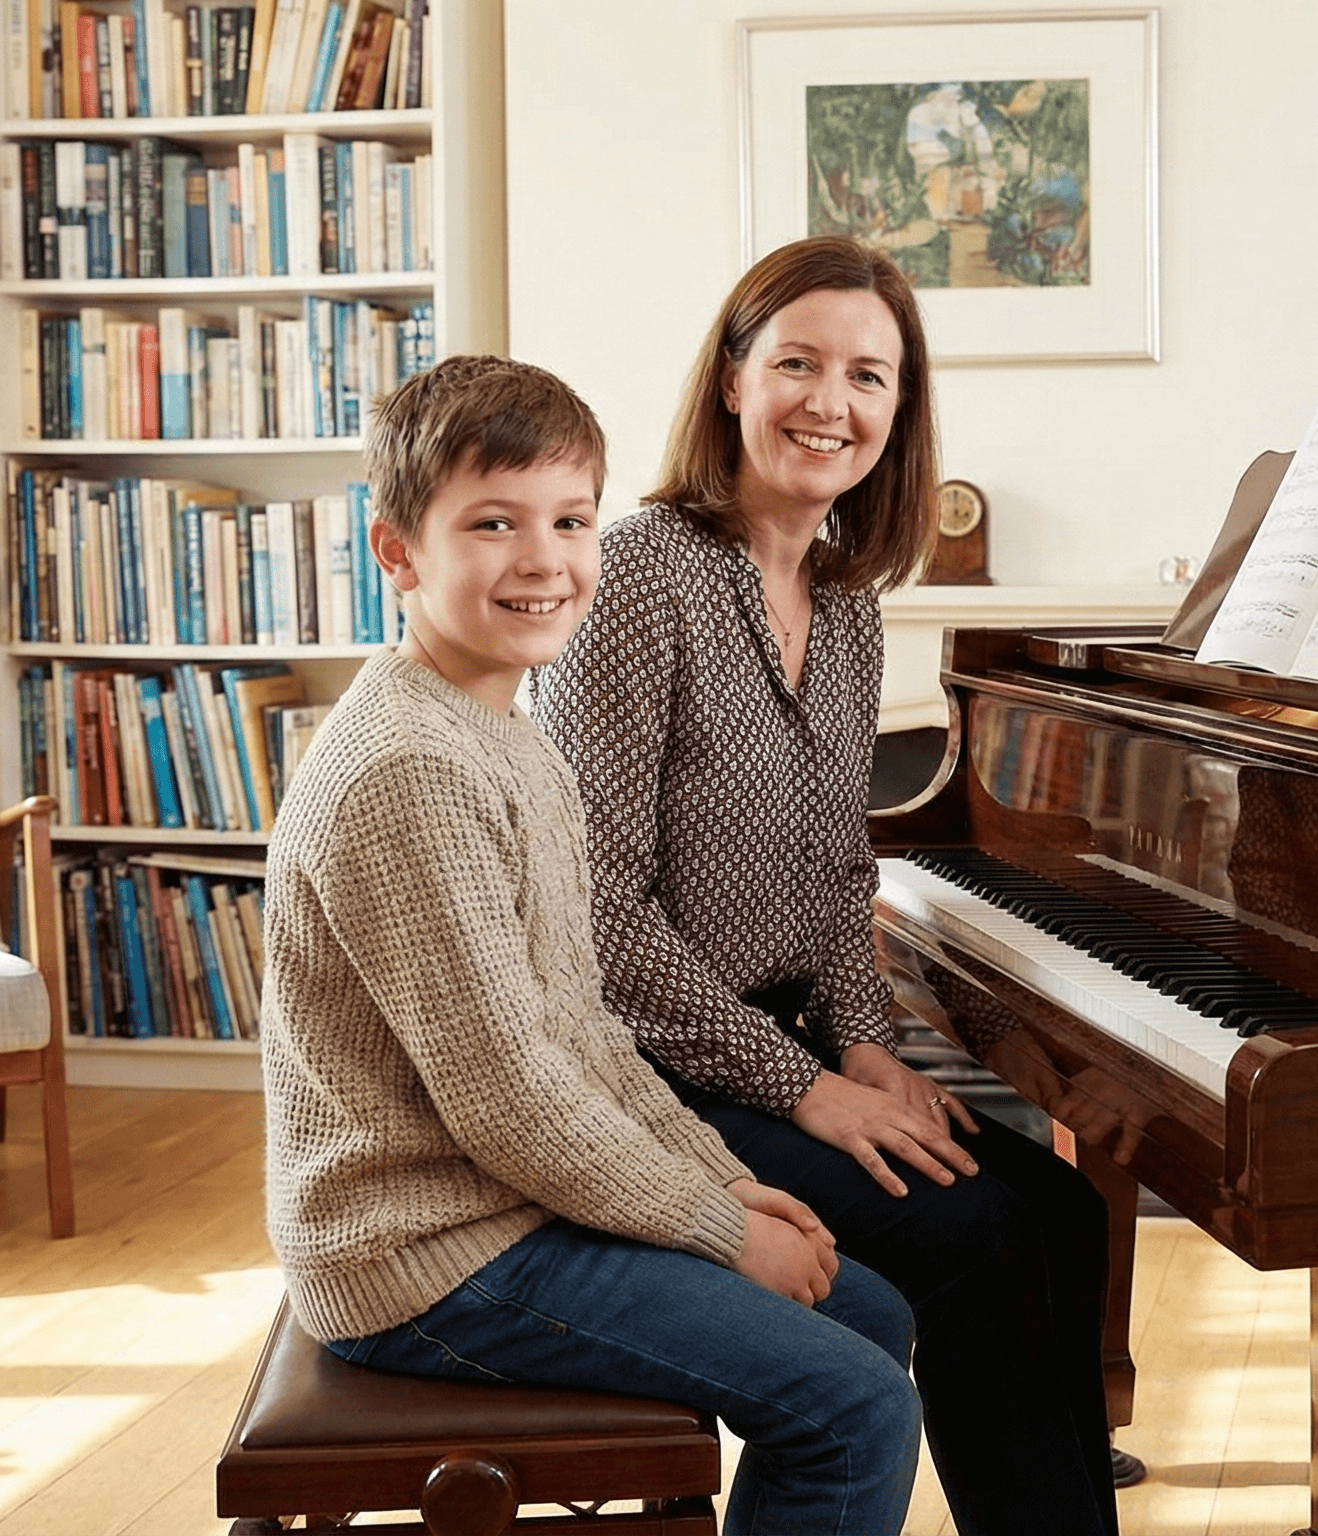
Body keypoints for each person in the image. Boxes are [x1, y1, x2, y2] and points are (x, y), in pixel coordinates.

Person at [258, 354, 920, 1536]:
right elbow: (512, 1101)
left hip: (495, 1205)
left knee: (864, 1311)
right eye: (493, 524)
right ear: (398, 552)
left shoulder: (508, 731)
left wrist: (725, 1181)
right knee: (856, 1407)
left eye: (570, 521)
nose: (544, 561)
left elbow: (585, 1034)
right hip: (423, 1255)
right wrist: (721, 1230)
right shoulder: (411, 768)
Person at [530, 236, 1124, 1536]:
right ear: (733, 378)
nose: (828, 402)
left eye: (868, 375)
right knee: (981, 1245)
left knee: (1065, 1212)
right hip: (643, 1075)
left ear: (899, 413)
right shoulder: (639, 574)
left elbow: (834, 871)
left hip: (784, 1043)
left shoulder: (849, 601)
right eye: (796, 361)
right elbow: (595, 918)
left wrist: (863, 1038)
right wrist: (808, 1086)